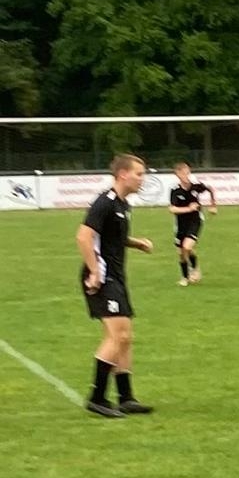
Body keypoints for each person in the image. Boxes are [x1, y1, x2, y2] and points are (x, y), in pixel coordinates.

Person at [77, 154, 155, 418]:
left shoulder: (123, 204)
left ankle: (126, 398)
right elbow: (83, 237)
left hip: (116, 277)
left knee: (125, 337)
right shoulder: (106, 202)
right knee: (117, 336)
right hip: (103, 278)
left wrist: (136, 243)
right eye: (139, 174)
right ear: (123, 174)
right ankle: (97, 397)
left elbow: (112, 237)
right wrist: (95, 271)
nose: (142, 179)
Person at [169, 162, 216, 286]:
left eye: (188, 173)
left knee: (187, 247)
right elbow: (172, 209)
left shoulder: (196, 186)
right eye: (183, 173)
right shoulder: (175, 190)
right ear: (178, 174)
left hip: (195, 221)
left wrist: (213, 205)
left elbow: (210, 189)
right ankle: (185, 277)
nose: (186, 175)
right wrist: (188, 209)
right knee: (181, 253)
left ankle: (194, 270)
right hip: (180, 224)